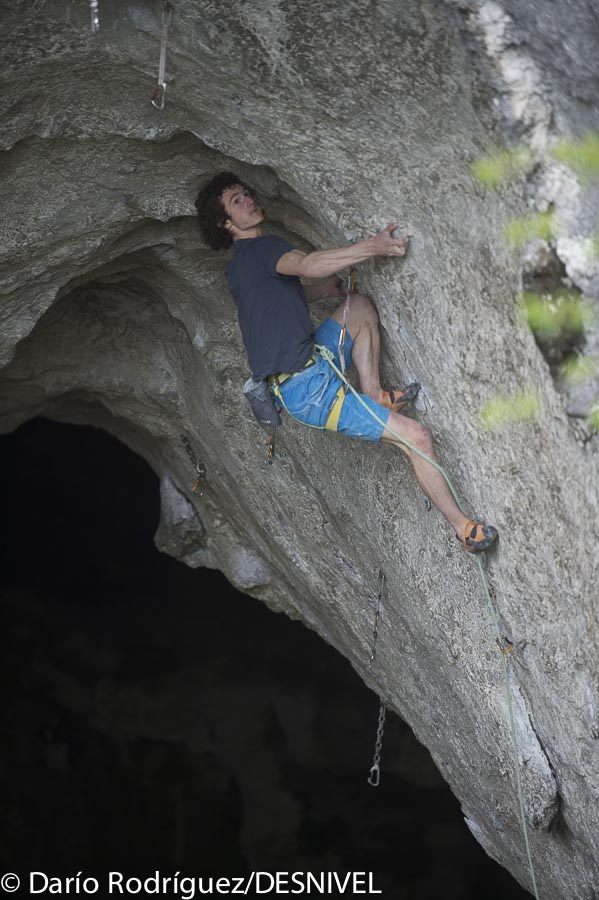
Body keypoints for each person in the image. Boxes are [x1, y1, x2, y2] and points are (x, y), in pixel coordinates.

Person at [195, 171, 498, 554]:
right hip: (308, 390)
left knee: (359, 308)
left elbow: (277, 303)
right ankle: (464, 530)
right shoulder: (263, 248)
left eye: (246, 193)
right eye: (236, 201)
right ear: (225, 223)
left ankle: (375, 394)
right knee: (416, 437)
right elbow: (307, 265)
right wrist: (371, 247)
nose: (248, 200)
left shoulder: (240, 267)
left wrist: (324, 292)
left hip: (305, 365)